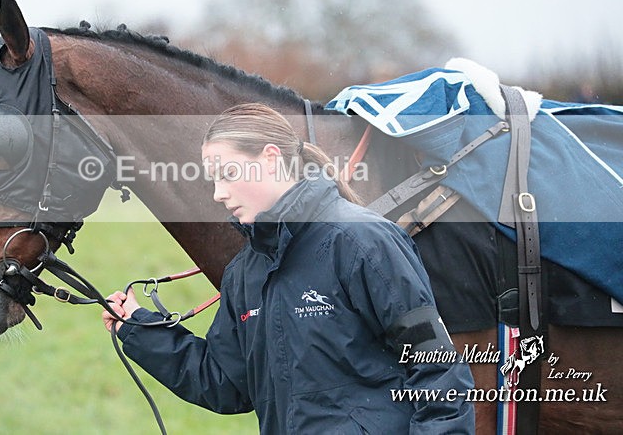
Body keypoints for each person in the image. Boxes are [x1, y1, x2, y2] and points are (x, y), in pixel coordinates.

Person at [102, 103, 475, 434]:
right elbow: (225, 383)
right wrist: (138, 327)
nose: (217, 193)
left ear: (269, 158)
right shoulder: (244, 273)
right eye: (213, 179)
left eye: (227, 174)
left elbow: (439, 370)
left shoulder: (362, 240)